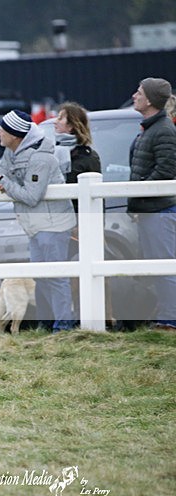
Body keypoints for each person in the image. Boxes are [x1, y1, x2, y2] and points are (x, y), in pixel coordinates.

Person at [0, 110, 77, 332]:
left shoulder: (41, 158)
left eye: (1, 130)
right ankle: (45, 326)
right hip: (36, 226)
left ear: (15, 135)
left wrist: (2, 181)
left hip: (53, 226)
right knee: (41, 279)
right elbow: (1, 173)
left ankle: (63, 328)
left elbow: (31, 196)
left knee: (55, 278)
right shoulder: (11, 151)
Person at [128, 77, 176, 331]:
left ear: (149, 100)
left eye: (139, 92)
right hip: (151, 210)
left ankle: (171, 320)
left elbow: (166, 171)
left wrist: (139, 195)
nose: (134, 95)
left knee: (164, 265)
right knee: (157, 266)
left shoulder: (163, 130)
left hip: (160, 210)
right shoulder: (150, 127)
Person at [53, 102, 101, 212]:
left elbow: (97, 197)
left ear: (70, 126)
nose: (55, 122)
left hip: (77, 219)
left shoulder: (88, 157)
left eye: (60, 118)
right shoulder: (50, 152)